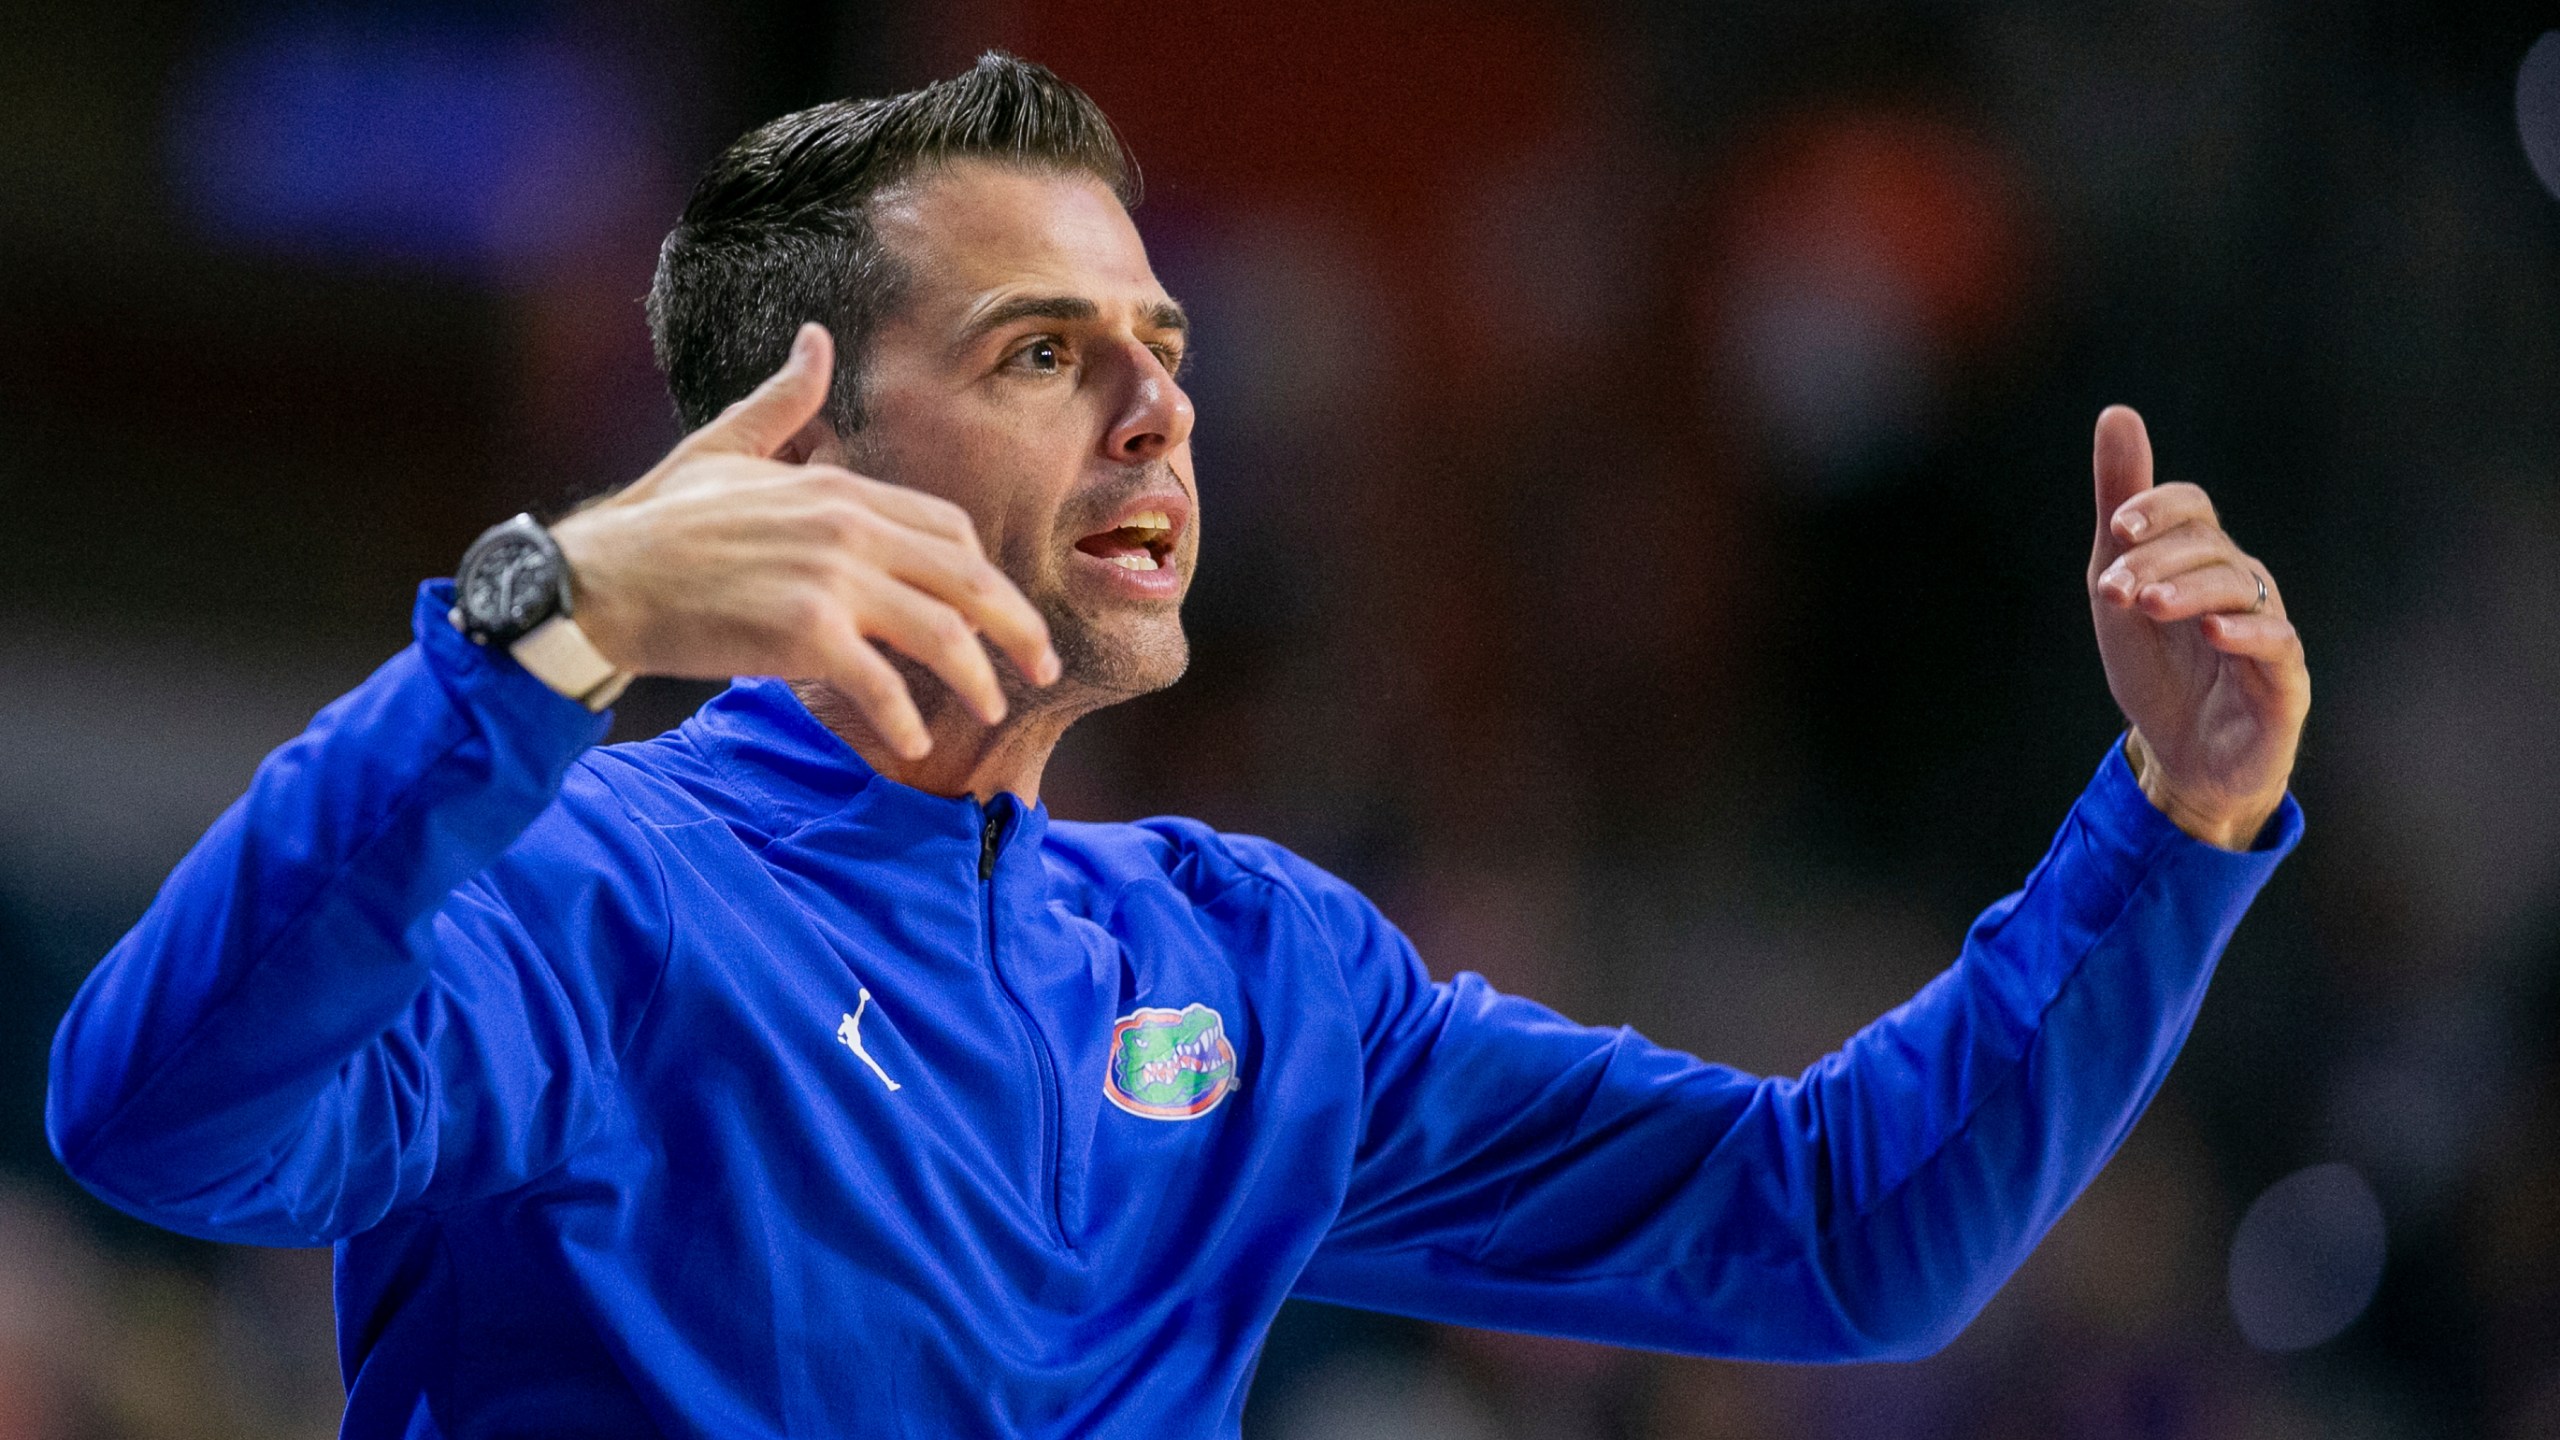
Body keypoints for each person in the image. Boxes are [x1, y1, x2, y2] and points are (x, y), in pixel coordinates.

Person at [47, 53, 2309, 1438]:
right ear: (804, 437)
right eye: (1046, 352)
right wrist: (547, 622)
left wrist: (2173, 822)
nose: (1160, 407)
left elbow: (1829, 1239)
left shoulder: (1246, 973)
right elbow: (153, 1115)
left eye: (1162, 342)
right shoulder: (587, 890)